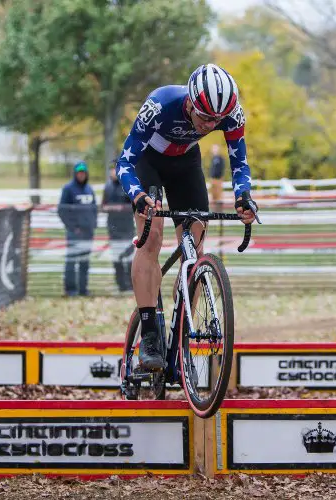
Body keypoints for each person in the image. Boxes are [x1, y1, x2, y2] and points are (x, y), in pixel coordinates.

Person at [114, 63, 259, 371]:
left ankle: (183, 335)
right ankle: (150, 333)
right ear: (191, 103)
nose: (210, 125)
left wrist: (243, 196)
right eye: (205, 117)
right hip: (148, 164)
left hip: (186, 163)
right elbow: (125, 162)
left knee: (194, 245)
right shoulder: (161, 105)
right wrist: (138, 196)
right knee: (151, 239)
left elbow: (239, 163)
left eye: (217, 120)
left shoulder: (230, 113)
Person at [57, 162, 97, 297]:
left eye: (83, 172)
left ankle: (83, 289)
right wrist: (73, 228)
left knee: (84, 261)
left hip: (88, 233)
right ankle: (71, 290)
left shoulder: (89, 189)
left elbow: (94, 209)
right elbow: (62, 211)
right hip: (75, 233)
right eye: (79, 172)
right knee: (71, 261)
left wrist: (93, 225)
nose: (81, 174)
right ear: (75, 173)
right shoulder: (68, 189)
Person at [102, 163, 134, 293]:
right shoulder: (107, 187)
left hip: (127, 229)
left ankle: (131, 284)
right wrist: (110, 208)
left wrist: (123, 208)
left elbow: (134, 204)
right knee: (117, 259)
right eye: (111, 170)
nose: (113, 173)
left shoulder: (127, 186)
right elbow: (103, 205)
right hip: (113, 228)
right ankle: (121, 285)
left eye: (115, 170)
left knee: (129, 258)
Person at [208, 143, 226, 208]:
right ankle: (214, 209)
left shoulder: (220, 158)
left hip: (218, 178)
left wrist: (220, 176)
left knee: (218, 194)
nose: (214, 150)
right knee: (213, 194)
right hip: (213, 178)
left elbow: (222, 168)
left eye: (215, 148)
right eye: (213, 148)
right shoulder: (213, 158)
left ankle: (219, 210)